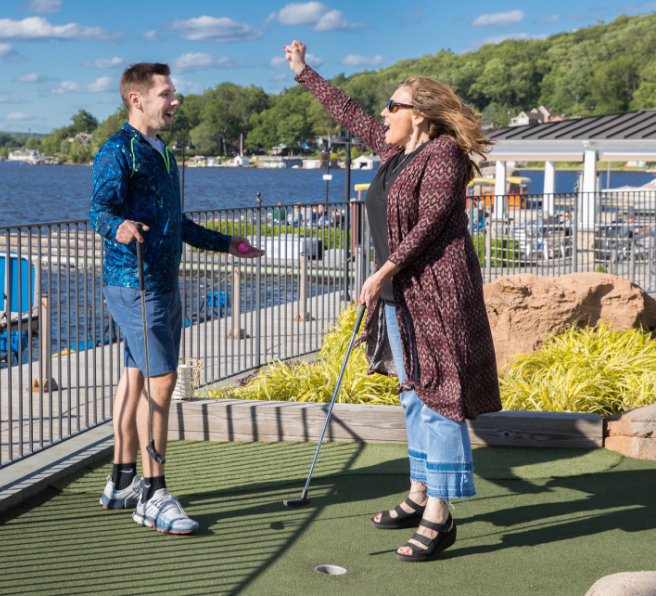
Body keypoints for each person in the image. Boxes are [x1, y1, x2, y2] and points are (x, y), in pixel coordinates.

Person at [285, 41, 502, 561]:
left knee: (439, 398)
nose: (383, 113)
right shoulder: (394, 152)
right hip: (399, 293)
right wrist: (303, 72)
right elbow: (350, 113)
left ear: (420, 114)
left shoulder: (443, 154)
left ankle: (441, 514)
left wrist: (381, 268)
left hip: (437, 292)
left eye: (393, 105)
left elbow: (429, 224)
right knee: (412, 394)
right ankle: (419, 492)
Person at [89, 63, 264, 535]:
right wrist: (118, 227)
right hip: (135, 283)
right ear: (137, 100)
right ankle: (153, 493)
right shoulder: (116, 151)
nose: (176, 101)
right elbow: (99, 209)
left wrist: (226, 243)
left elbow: (176, 223)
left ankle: (123, 479)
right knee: (161, 382)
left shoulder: (160, 151)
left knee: (135, 377)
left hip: (161, 283)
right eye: (167, 93)